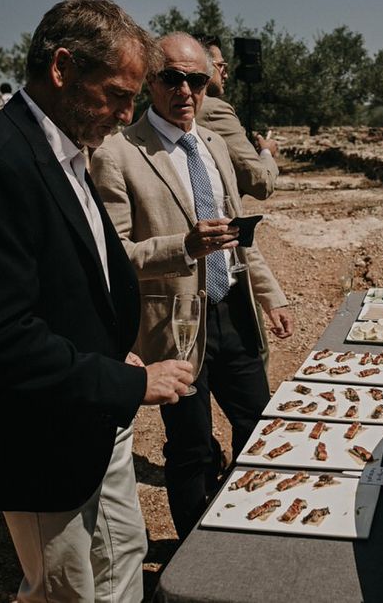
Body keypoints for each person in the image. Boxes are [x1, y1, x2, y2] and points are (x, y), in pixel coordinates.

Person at [0, 0, 194, 603]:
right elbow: (1, 337)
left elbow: (79, 279)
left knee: (122, 560)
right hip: (38, 438)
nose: (127, 112)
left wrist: (118, 358)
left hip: (93, 412)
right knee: (67, 589)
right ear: (62, 69)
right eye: (116, 93)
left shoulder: (66, 149)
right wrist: (132, 386)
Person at [91, 32, 293, 538]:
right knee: (192, 448)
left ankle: (255, 530)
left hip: (233, 310)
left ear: (208, 84)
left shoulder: (215, 143)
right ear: (151, 82)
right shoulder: (117, 154)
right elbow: (113, 258)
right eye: (172, 78)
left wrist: (271, 296)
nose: (185, 90)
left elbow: (238, 231)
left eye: (196, 79)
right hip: (176, 328)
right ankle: (189, 563)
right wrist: (183, 246)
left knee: (258, 429)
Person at [196, 37, 279, 200]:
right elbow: (261, 183)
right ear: (202, 66)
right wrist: (266, 152)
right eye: (221, 66)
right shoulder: (214, 110)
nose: (225, 74)